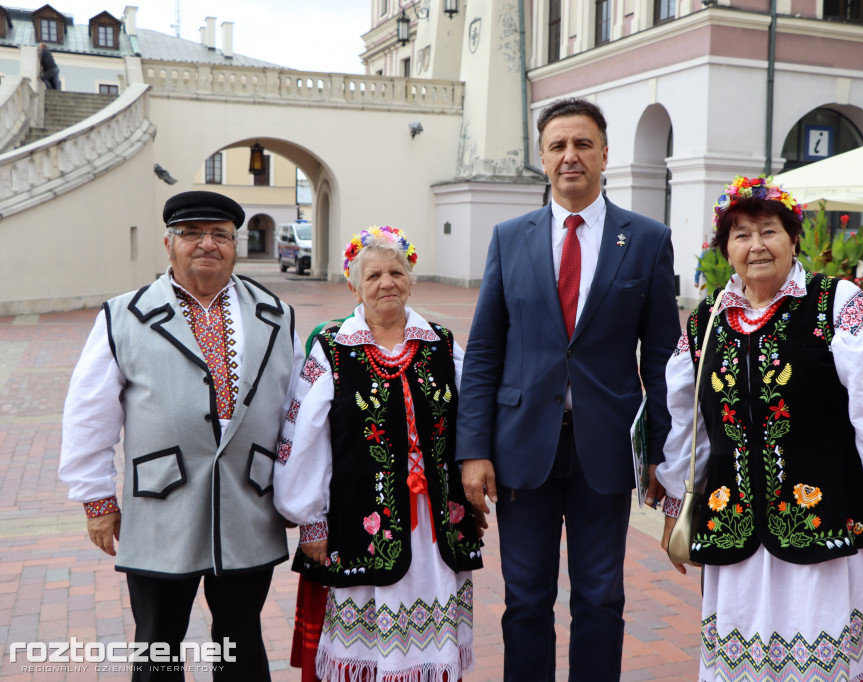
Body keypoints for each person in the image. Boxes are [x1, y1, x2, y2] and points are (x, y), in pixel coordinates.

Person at [657, 176, 863, 681]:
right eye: (740, 235)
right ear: (725, 249)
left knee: (824, 653)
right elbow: (687, 422)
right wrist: (677, 507)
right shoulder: (706, 322)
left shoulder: (839, 305)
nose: (756, 246)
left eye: (769, 231)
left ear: (793, 238)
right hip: (733, 522)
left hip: (828, 520)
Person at [457, 97, 681, 681]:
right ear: (542, 158)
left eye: (583, 144)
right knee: (526, 599)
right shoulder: (510, 238)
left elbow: (661, 356)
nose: (571, 156)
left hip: (604, 449)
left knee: (601, 598)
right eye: (558, 146)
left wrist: (661, 451)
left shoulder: (649, 239)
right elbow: (483, 351)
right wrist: (474, 449)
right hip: (521, 446)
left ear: (606, 154)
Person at [59, 190, 304, 682]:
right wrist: (96, 501)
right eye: (191, 234)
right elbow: (89, 414)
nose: (206, 244)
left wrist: (300, 495)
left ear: (235, 246)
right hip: (160, 502)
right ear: (168, 245)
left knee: (240, 636)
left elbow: (297, 412)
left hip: (247, 504)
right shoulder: (123, 316)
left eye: (219, 235)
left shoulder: (276, 315)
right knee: (158, 640)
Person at [274, 226, 483, 682]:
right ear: (354, 284)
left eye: (396, 271)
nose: (386, 282)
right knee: (367, 646)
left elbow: (475, 417)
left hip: (435, 524)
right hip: (358, 520)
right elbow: (300, 438)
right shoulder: (332, 349)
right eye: (373, 275)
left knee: (433, 636)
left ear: (410, 278)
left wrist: (474, 477)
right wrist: (310, 518)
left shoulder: (442, 344)